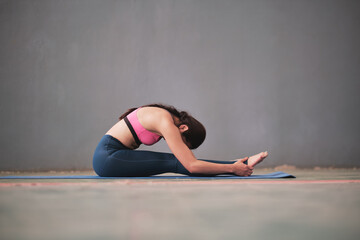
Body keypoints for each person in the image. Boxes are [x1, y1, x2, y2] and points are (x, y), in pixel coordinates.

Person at [93, 103, 268, 177]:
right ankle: (236, 165)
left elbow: (189, 161)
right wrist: (231, 169)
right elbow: (191, 165)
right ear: (183, 128)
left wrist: (232, 165)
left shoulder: (165, 116)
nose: (183, 148)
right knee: (177, 162)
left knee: (177, 160)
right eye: (185, 144)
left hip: (110, 156)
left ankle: (238, 163)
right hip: (108, 158)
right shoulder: (165, 121)